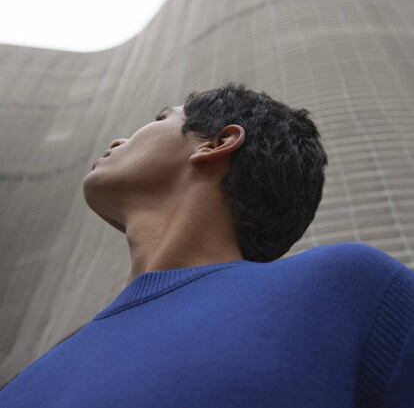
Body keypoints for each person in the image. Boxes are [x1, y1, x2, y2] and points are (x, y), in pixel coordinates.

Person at [1, 82, 413, 407]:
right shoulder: (32, 373)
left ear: (216, 143)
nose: (117, 140)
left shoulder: (342, 288)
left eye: (162, 118)